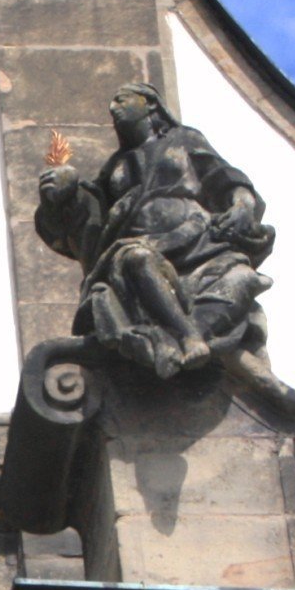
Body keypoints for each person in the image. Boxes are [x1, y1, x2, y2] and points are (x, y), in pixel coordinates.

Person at [35, 83, 273, 378]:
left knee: (242, 277)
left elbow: (224, 177)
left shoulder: (184, 139)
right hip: (140, 246)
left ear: (150, 104)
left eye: (122, 100)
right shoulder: (115, 166)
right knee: (135, 258)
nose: (113, 109)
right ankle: (187, 337)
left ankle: (180, 342)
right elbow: (90, 221)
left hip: (199, 243)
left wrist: (242, 206)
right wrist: (64, 198)